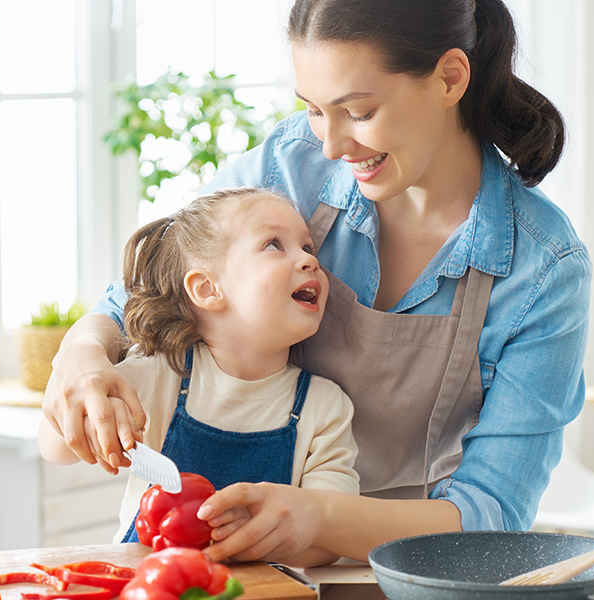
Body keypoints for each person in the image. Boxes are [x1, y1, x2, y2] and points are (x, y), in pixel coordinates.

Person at [43, 0, 590, 563]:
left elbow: (492, 516)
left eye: (358, 111)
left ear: (450, 78)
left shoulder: (543, 268)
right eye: (312, 110)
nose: (331, 146)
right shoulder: (294, 165)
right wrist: (82, 356)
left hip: (408, 572)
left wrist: (318, 516)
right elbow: (139, 295)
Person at [37, 187, 360, 567]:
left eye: (309, 248)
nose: (309, 261)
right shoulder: (159, 375)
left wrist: (258, 535)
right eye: (275, 244)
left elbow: (329, 540)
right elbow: (54, 449)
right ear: (207, 289)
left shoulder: (325, 408)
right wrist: (89, 420)